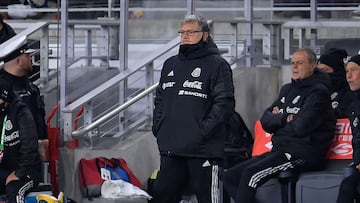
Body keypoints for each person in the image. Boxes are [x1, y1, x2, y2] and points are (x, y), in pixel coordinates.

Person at [223, 48, 336, 203]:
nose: (294, 66)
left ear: (312, 66)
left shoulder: (319, 92)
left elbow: (301, 127)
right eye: (292, 63)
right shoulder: (287, 90)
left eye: (300, 63)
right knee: (230, 176)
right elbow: (265, 121)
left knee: (251, 175)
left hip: (303, 154)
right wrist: (286, 118)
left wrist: (279, 120)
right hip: (280, 149)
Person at [151, 14, 235, 203]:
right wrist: (159, 127)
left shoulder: (217, 65)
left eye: (191, 32)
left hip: (203, 150)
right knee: (162, 196)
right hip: (171, 148)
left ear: (205, 35)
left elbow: (224, 104)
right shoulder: (170, 64)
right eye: (182, 32)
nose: (185, 36)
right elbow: (160, 99)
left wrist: (201, 132)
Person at [0, 75, 42, 203]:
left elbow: (29, 147)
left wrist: (18, 173)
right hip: (4, 169)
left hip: (27, 171)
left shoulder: (21, 111)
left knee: (14, 190)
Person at [0, 36, 47, 139]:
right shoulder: (3, 89)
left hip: (32, 149)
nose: (31, 58)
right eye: (27, 55)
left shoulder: (31, 88)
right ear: (19, 61)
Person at [336, 54, 360, 203]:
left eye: (354, 70)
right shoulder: (352, 100)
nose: (349, 75)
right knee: (347, 186)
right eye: (347, 71)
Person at [318, 47, 352, 118]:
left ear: (337, 70)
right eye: (318, 71)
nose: (320, 75)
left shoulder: (351, 94)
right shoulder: (314, 92)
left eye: (324, 70)